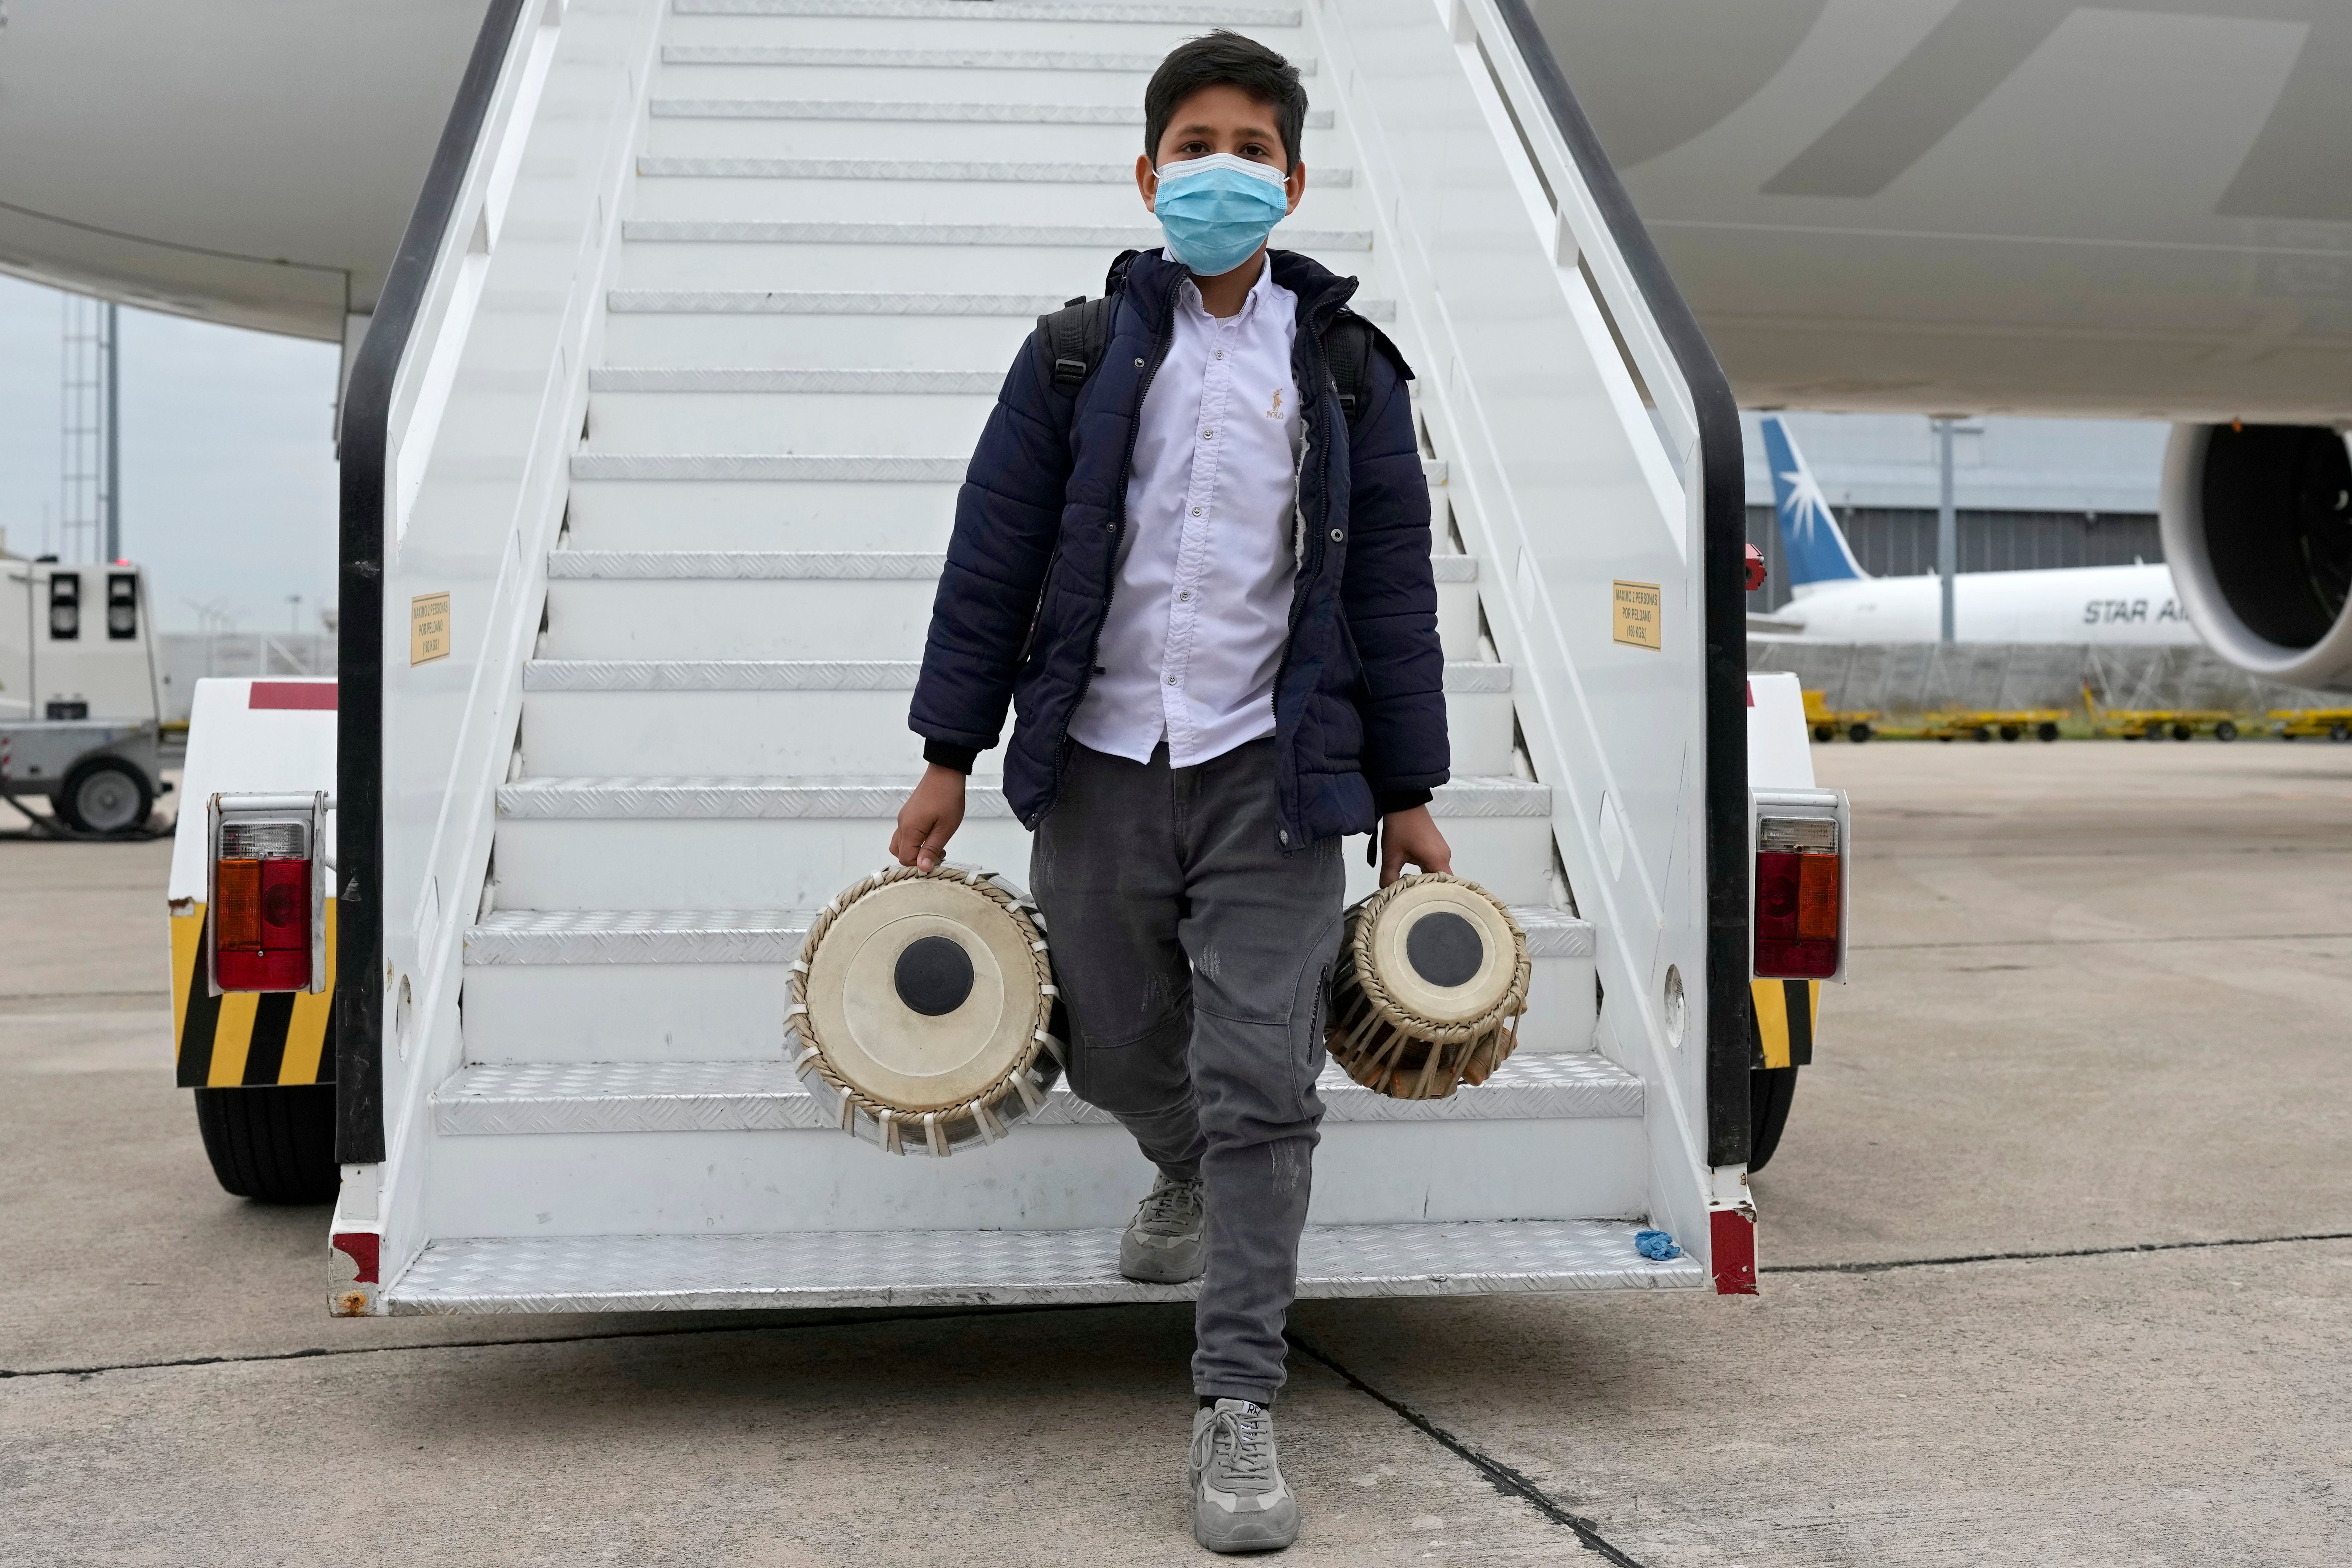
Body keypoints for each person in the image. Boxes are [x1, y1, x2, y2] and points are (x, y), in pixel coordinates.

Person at [891, 30, 1450, 1554]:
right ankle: (1181, 1161)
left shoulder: (1344, 367)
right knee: (1118, 1042)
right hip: (1101, 762)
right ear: (1148, 175)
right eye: (1194, 143)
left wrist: (1405, 788)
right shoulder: (1075, 353)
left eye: (1251, 146)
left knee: (1267, 1076)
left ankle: (1239, 1398)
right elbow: (993, 559)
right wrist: (948, 752)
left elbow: (1389, 590)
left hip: (1273, 781)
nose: (1223, 167)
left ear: (1293, 176)